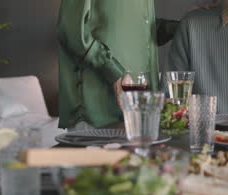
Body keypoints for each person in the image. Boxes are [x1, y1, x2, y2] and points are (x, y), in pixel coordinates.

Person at [57, 0, 179, 130]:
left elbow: (140, 29)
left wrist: (188, 24)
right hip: (95, 115)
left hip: (141, 112)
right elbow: (71, 30)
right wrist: (114, 73)